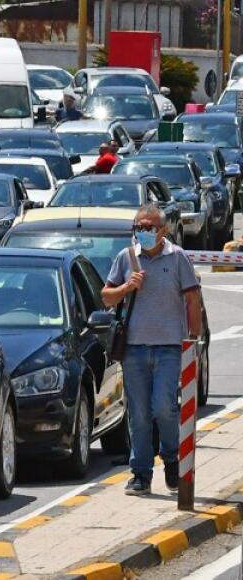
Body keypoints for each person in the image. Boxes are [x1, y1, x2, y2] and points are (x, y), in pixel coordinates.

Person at [101, 204, 202, 496]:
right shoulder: (127, 257)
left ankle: (171, 458)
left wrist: (193, 341)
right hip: (134, 349)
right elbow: (106, 297)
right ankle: (141, 473)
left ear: (163, 230)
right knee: (140, 414)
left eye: (148, 227)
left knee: (164, 408)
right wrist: (126, 287)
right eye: (139, 227)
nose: (143, 232)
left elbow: (192, 299)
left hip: (169, 348)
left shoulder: (177, 257)